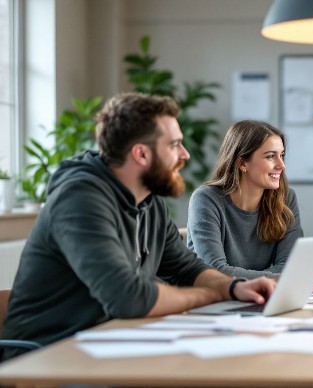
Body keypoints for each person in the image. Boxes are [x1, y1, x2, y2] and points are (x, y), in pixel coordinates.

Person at [1, 93, 275, 360]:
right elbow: (128, 298)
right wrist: (214, 294)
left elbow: (185, 268)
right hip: (48, 356)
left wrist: (234, 288)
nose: (185, 154)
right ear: (141, 153)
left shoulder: (148, 200)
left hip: (110, 341)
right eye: (174, 145)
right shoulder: (80, 200)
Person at [187, 120, 313, 292]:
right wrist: (278, 279)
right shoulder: (206, 199)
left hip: (261, 297)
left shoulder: (286, 198)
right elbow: (214, 271)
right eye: (270, 156)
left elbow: (290, 266)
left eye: (281, 155)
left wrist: (279, 279)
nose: (281, 165)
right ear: (242, 163)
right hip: (210, 299)